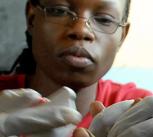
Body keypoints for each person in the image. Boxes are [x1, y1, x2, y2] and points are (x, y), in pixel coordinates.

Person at [0, 0, 153, 137]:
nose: (81, 30)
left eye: (104, 19)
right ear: (32, 19)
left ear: (122, 37)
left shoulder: (140, 112)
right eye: (60, 11)